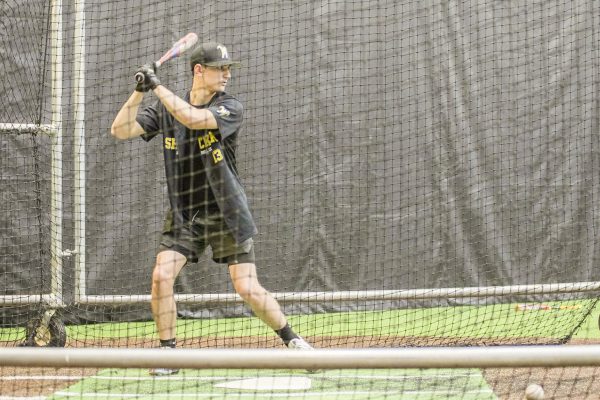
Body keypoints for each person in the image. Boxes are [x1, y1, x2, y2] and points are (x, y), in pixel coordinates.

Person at [110, 41, 313, 375]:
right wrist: (139, 90)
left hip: (225, 209)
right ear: (199, 71)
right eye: (220, 68)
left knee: (246, 287)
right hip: (185, 212)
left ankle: (293, 340)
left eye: (228, 68)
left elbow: (192, 118)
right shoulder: (164, 108)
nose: (227, 74)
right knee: (161, 276)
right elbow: (119, 129)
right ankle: (168, 356)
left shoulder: (230, 106)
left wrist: (157, 85)